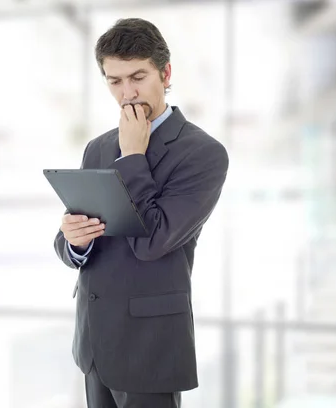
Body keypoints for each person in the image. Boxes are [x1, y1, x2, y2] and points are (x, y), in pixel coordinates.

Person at [53, 17, 229, 408]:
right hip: (95, 342)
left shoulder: (203, 154)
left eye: (138, 77)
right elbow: (71, 242)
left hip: (150, 349)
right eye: (115, 82)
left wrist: (133, 155)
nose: (127, 93)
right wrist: (73, 240)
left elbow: (152, 241)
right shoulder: (98, 148)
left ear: (165, 73)